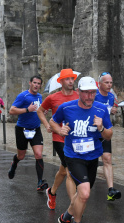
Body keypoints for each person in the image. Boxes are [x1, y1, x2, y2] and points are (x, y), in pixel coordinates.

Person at [51, 77, 113, 223]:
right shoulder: (66, 108)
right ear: (79, 92)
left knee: (81, 195)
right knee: (84, 193)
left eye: (92, 92)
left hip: (92, 157)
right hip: (73, 155)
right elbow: (52, 122)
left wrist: (101, 128)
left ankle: (65, 217)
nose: (89, 96)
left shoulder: (101, 109)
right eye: (86, 92)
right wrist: (59, 129)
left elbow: (109, 135)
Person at [37, 68, 79, 210]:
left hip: (75, 139)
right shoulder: (52, 97)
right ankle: (74, 207)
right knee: (70, 172)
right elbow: (40, 111)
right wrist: (47, 124)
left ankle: (52, 191)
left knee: (63, 170)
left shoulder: (79, 96)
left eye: (72, 78)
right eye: (67, 79)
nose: (71, 81)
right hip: (59, 138)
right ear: (61, 82)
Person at [8, 75, 48, 191]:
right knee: (21, 156)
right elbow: (11, 110)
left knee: (39, 154)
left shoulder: (40, 96)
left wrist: (42, 112)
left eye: (39, 83)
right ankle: (14, 164)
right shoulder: (23, 96)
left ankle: (40, 182)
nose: (36, 85)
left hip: (35, 129)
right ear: (30, 83)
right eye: (34, 83)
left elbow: (38, 110)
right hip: (22, 129)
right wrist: (27, 110)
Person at [94, 72, 122, 201]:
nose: (109, 85)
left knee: (107, 158)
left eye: (111, 82)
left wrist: (113, 111)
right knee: (91, 161)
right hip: (92, 131)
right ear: (100, 83)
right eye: (106, 82)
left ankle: (111, 189)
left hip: (105, 131)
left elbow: (110, 112)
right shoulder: (94, 95)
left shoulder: (111, 97)